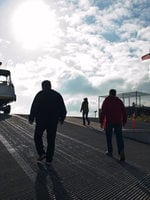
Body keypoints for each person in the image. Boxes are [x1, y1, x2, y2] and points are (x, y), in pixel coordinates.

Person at [29, 80, 67, 165]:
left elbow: (34, 106)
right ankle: (49, 159)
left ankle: (42, 153)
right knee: (51, 140)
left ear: (43, 86)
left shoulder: (40, 94)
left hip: (41, 120)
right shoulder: (57, 95)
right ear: (50, 86)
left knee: (37, 137)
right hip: (53, 121)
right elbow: (63, 108)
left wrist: (31, 117)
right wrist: (62, 118)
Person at [99, 89, 127, 161]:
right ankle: (121, 152)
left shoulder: (107, 100)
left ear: (109, 93)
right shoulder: (118, 100)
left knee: (109, 136)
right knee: (119, 137)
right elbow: (124, 111)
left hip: (109, 121)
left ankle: (110, 152)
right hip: (118, 121)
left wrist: (101, 122)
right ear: (115, 94)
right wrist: (124, 121)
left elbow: (103, 111)